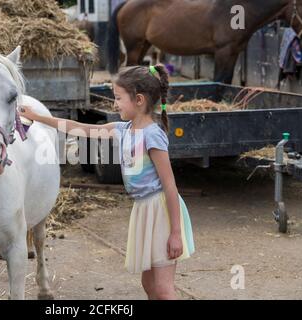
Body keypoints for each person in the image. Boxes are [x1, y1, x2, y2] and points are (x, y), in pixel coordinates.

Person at [19, 64, 195, 300]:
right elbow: (80, 128)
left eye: (118, 98)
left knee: (163, 289)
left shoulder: (153, 136)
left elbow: (170, 185)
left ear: (139, 100)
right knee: (148, 283)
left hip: (161, 210)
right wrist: (38, 117)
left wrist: (175, 232)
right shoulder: (122, 129)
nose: (115, 104)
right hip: (143, 210)